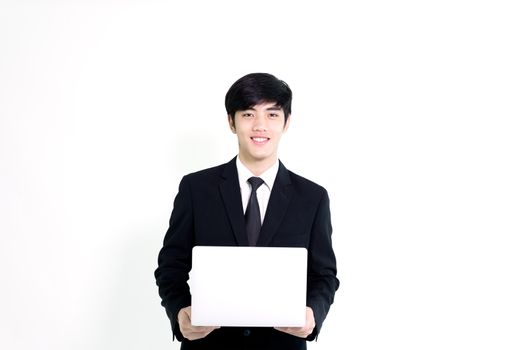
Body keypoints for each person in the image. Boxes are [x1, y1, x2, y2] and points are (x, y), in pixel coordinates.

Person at [155, 73, 339, 350]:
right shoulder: (196, 189)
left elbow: (325, 275)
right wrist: (180, 311)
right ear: (232, 121)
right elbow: (171, 267)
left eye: (272, 115)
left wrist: (313, 313)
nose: (260, 126)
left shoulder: (312, 197)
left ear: (287, 122)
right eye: (249, 114)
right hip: (209, 345)